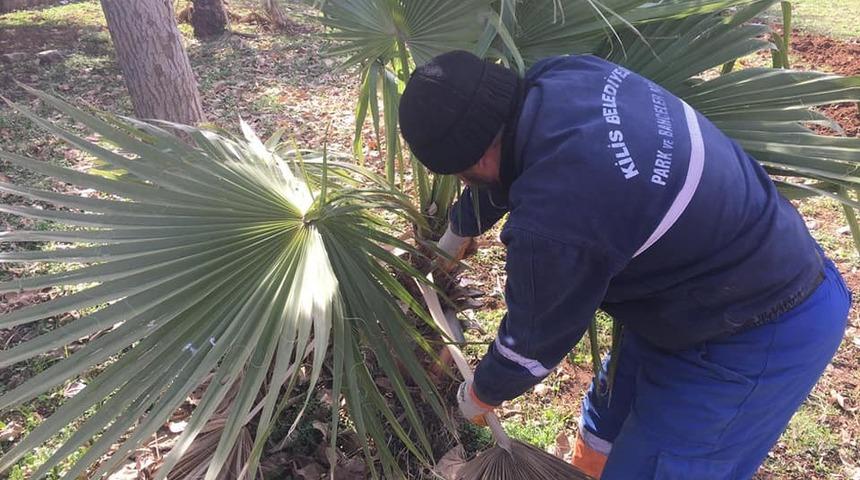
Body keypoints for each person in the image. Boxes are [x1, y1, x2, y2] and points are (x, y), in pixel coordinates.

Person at [397, 50, 851, 479]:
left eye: (460, 174)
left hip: (762, 326)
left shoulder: (556, 217)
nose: (463, 183)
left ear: (475, 158)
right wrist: (454, 235)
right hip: (697, 282)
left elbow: (529, 347)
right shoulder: (563, 76)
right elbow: (505, 164)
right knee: (604, 427)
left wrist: (476, 395)